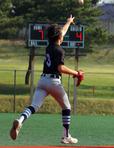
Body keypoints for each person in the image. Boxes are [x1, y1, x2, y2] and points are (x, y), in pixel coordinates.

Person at [10, 15, 84, 144]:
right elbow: (61, 68)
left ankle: (20, 121)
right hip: (54, 82)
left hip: (42, 80)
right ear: (59, 37)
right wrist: (76, 73)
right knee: (66, 107)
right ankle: (65, 136)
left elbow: (62, 32)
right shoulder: (60, 50)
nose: (63, 34)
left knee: (34, 106)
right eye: (61, 34)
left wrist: (68, 22)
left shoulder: (49, 45)